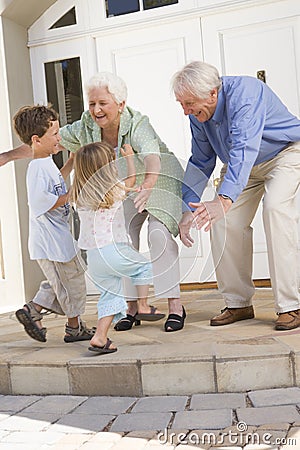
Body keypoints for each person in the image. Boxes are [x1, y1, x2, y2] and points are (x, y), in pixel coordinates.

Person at [1, 72, 186, 332]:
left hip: (158, 182)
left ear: (120, 104)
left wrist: (148, 185)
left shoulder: (137, 123)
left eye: (103, 103)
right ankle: (131, 308)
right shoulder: (86, 125)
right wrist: (7, 156)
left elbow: (153, 157)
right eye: (92, 104)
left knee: (159, 237)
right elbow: (45, 141)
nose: (96, 110)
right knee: (123, 242)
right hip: (123, 189)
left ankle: (175, 306)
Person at [172, 60, 300, 330]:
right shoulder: (199, 114)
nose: (186, 111)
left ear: (213, 93)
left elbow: (244, 146)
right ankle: (238, 303)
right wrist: (186, 209)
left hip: (284, 154)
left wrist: (223, 200)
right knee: (221, 220)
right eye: (181, 104)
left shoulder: (246, 93)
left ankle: (291, 305)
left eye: (189, 103)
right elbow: (201, 160)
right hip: (243, 166)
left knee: (275, 208)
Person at [13, 105, 95, 343]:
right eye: (55, 135)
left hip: (59, 238)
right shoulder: (37, 168)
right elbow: (41, 201)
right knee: (70, 285)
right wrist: (73, 194)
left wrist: (70, 163)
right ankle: (73, 327)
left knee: (67, 281)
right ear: (37, 140)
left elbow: (54, 183)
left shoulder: (46, 162)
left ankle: (35, 310)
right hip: (51, 242)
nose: (60, 138)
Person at [71, 141, 155, 353]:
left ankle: (100, 337)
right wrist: (128, 158)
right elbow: (132, 180)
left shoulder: (79, 197)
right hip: (113, 250)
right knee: (143, 267)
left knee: (110, 295)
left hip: (94, 259)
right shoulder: (114, 190)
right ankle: (143, 306)